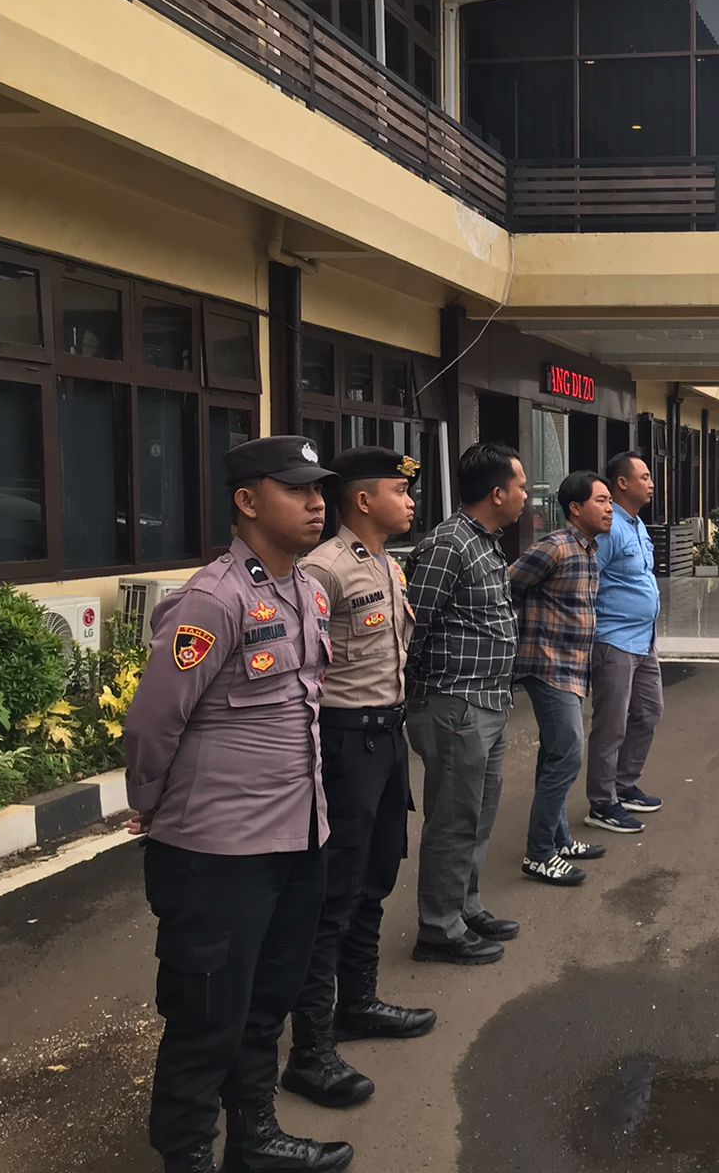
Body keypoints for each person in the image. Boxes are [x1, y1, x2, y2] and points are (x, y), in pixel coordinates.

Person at [124, 435, 352, 1173]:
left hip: (298, 839)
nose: (317, 503)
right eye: (298, 490)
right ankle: (188, 1155)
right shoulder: (212, 599)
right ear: (247, 501)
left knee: (264, 1007)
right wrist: (150, 806)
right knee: (206, 1019)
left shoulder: (307, 591)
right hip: (218, 853)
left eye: (319, 489)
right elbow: (153, 722)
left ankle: (255, 1140)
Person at [282, 446, 436, 1111]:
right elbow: (301, 670)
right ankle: (311, 1050)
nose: (411, 501)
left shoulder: (386, 564)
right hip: (345, 743)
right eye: (400, 491)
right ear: (365, 500)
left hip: (385, 739)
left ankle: (359, 1002)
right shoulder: (325, 569)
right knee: (334, 894)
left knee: (376, 877)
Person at [404, 442, 526, 966]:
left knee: (477, 815)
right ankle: (439, 928)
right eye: (521, 486)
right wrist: (423, 695)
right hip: (456, 702)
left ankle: (464, 905)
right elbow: (414, 626)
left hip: (489, 700)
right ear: (497, 493)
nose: (526, 495)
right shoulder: (449, 544)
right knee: (453, 820)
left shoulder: (485, 542)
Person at [511, 471, 616, 885]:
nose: (609, 509)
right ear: (575, 508)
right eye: (601, 501)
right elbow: (507, 585)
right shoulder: (554, 547)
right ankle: (539, 854)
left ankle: (558, 839)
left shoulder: (589, 549)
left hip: (573, 667)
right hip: (547, 666)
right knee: (568, 754)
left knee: (555, 754)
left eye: (610, 501)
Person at [585, 452, 665, 836]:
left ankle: (624, 784)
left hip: (643, 640)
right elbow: (587, 581)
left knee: (648, 711)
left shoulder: (635, 523)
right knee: (611, 725)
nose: (651, 483)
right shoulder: (609, 528)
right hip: (614, 641)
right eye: (644, 477)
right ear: (622, 483)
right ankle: (602, 803)